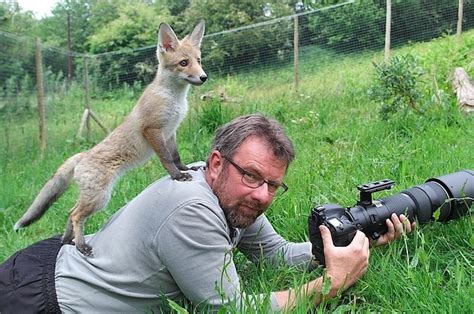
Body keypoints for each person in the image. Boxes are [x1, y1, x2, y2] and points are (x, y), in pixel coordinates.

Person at [0, 114, 414, 313]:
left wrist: (339, 246)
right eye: (252, 176)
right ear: (217, 163)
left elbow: (273, 254)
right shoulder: (192, 209)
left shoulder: (230, 195)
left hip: (52, 262)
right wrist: (331, 284)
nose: (263, 194)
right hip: (46, 302)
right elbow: (232, 309)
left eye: (273, 184)